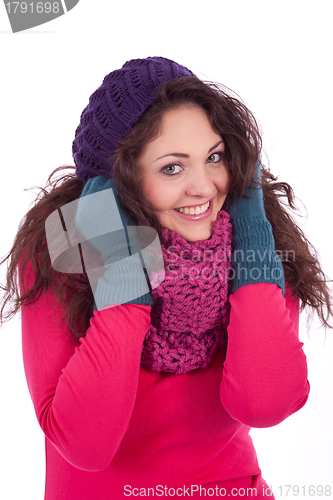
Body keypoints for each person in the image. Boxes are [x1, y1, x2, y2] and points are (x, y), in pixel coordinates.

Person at [0, 57, 332, 499]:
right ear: (120, 182)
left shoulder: (254, 241)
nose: (204, 187)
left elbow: (264, 403)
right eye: (172, 167)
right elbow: (85, 445)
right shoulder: (60, 249)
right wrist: (121, 273)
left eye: (214, 157)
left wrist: (253, 242)